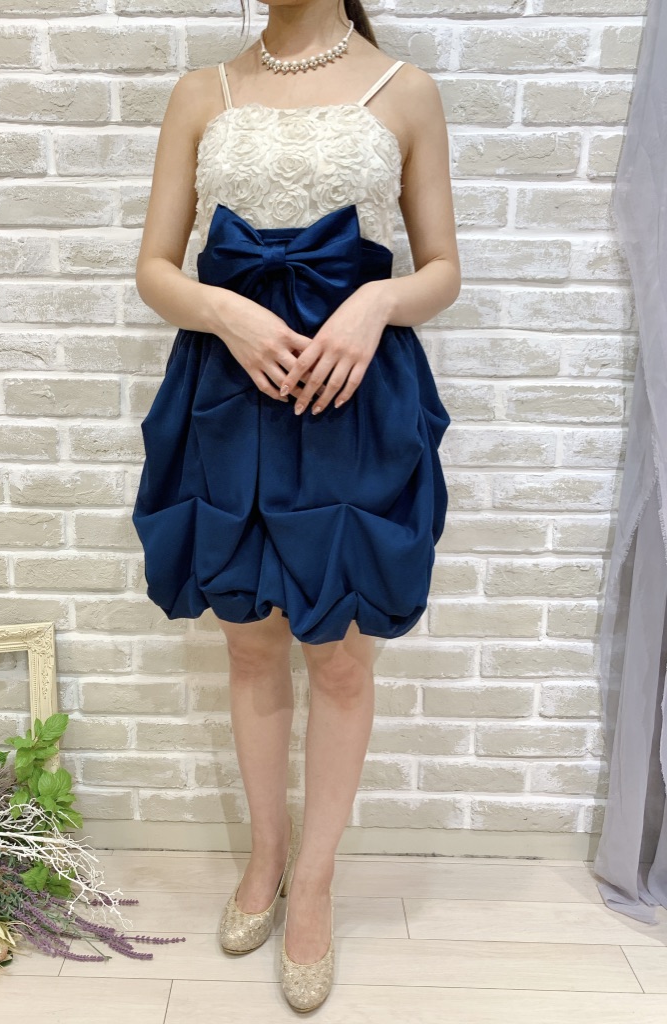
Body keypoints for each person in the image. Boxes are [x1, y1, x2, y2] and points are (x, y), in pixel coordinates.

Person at [132, 0, 460, 1011]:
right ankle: (266, 857)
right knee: (248, 642)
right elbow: (154, 269)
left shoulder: (403, 89)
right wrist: (222, 310)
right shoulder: (201, 92)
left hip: (353, 395)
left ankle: (314, 884)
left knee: (342, 653)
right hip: (228, 394)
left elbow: (444, 271)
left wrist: (376, 300)